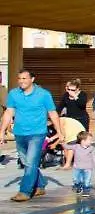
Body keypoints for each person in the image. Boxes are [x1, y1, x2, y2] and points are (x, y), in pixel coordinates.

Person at [1, 69, 63, 201]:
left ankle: (25, 191)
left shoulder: (43, 94)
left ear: (32, 79)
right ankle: (40, 185)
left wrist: (59, 132)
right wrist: (1, 131)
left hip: (37, 133)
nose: (21, 81)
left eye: (24, 78)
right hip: (19, 133)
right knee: (27, 162)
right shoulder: (13, 94)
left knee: (30, 162)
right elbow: (8, 113)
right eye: (19, 79)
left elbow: (52, 113)